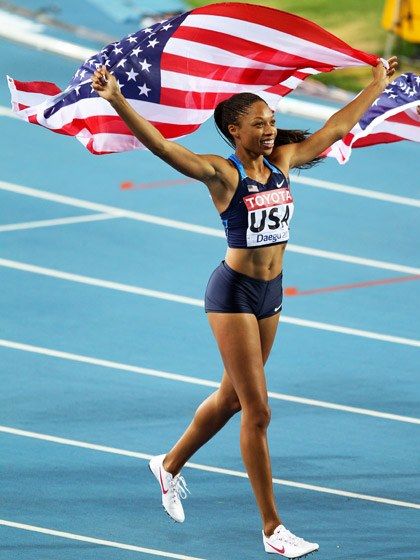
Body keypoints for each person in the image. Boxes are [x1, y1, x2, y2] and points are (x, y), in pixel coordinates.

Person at [92, 56, 398, 559]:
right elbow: (165, 147)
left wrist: (374, 86)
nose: (270, 129)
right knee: (258, 411)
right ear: (235, 130)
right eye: (260, 123)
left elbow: (338, 126)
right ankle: (273, 529)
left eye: (273, 121)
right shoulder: (222, 175)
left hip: (271, 296)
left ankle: (167, 466)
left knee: (232, 399)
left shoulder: (284, 161)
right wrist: (119, 101)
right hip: (232, 294)